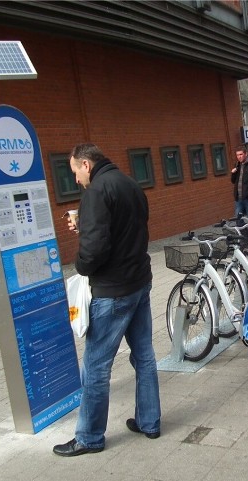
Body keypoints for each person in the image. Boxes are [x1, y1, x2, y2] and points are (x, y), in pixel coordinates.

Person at [53, 143, 160, 458]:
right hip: (140, 282)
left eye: (74, 172)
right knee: (145, 357)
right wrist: (85, 226)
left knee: (96, 366)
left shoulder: (96, 192)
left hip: (113, 292)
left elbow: (96, 249)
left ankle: (88, 437)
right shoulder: (130, 184)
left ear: (86, 164)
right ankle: (149, 422)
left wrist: (81, 265)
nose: (75, 180)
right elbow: (128, 232)